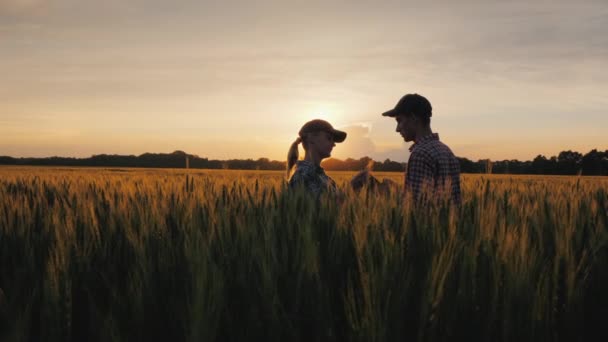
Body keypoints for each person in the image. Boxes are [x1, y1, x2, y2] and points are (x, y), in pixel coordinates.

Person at [381, 93, 461, 205]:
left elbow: (416, 207)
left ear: (413, 118)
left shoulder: (420, 154)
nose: (397, 129)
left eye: (400, 121)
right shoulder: (446, 150)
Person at [286, 119, 347, 196]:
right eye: (329, 138)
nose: (333, 144)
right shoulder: (302, 177)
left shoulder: (325, 178)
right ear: (311, 139)